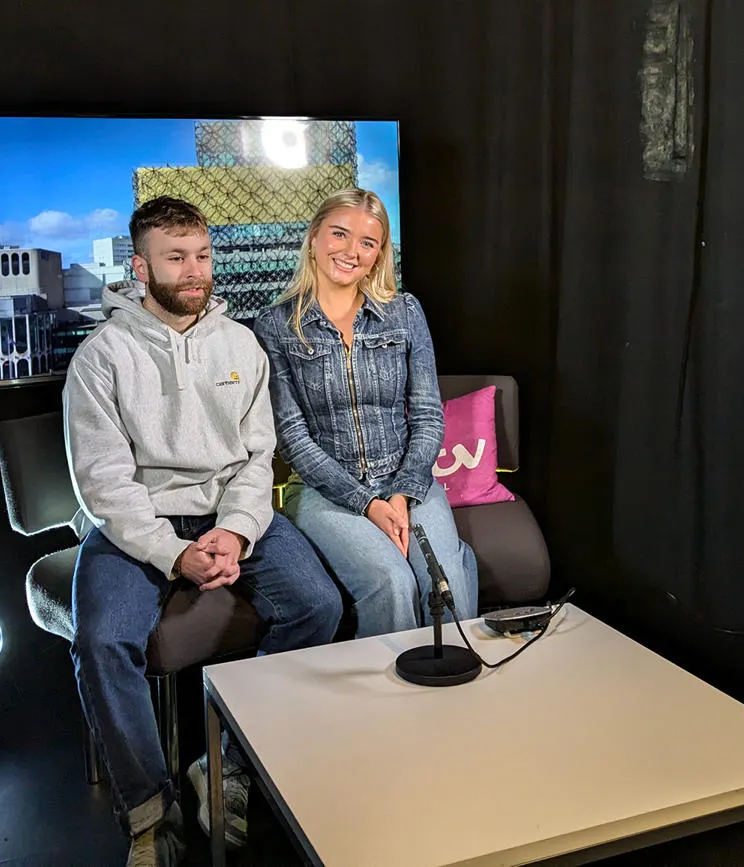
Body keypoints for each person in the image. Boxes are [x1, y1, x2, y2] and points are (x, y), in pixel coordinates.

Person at [63, 196, 342, 866]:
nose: (195, 271)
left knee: (319, 605)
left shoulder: (240, 343)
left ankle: (226, 767)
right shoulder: (102, 357)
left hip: (229, 513)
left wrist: (239, 532)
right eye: (176, 258)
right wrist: (173, 552)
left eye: (203, 255)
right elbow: (104, 482)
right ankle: (152, 813)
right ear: (140, 266)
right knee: (101, 639)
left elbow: (257, 455)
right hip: (139, 523)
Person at [252, 188, 478, 639]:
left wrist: (401, 494)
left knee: (443, 582)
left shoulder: (405, 312)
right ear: (315, 237)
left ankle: (458, 697)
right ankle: (386, 704)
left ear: (378, 255)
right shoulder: (274, 325)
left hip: (406, 482)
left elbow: (429, 414)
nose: (351, 252)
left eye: (368, 243)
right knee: (391, 584)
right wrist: (367, 504)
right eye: (340, 234)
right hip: (323, 492)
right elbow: (292, 437)